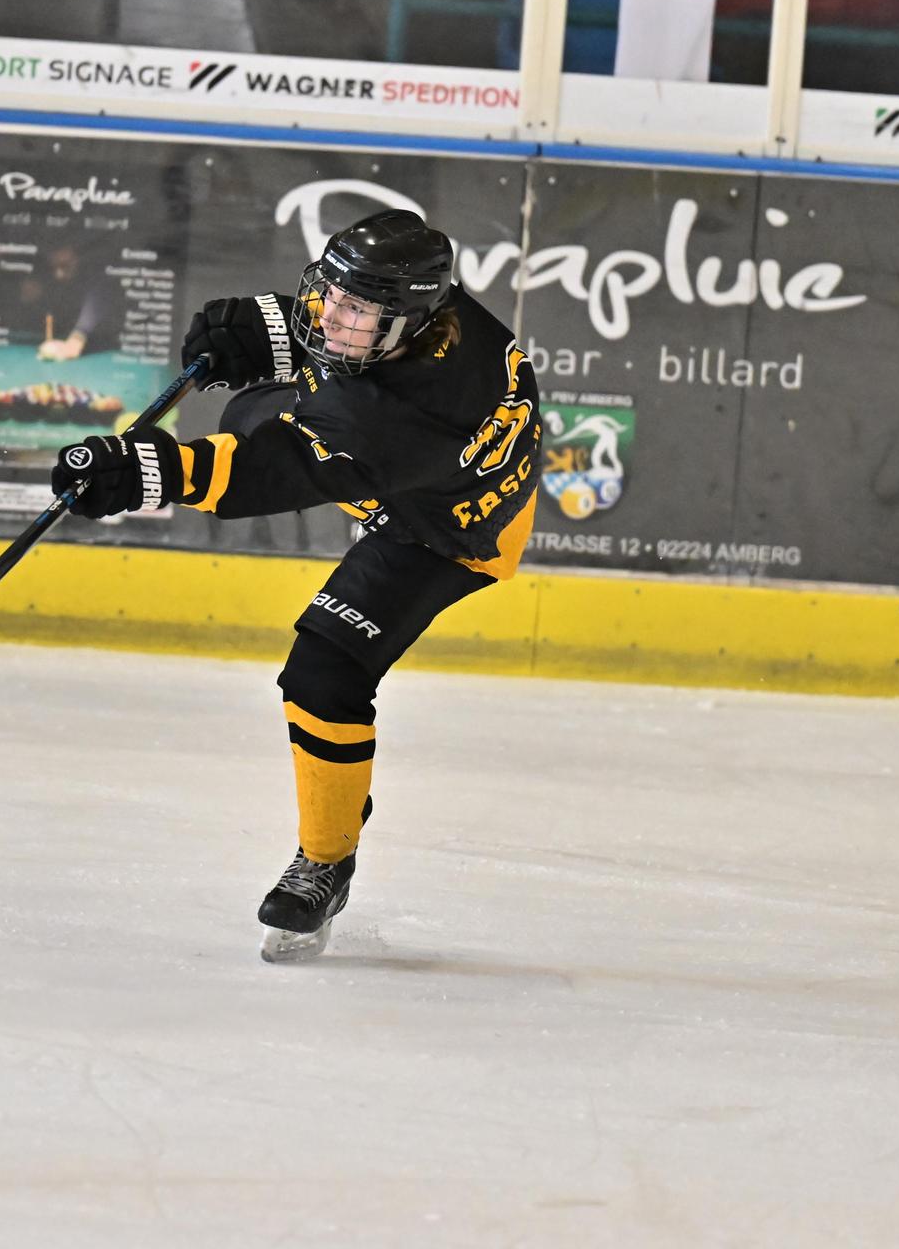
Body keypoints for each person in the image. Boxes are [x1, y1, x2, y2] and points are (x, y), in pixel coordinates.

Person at [49, 210, 541, 962]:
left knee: (323, 676)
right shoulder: (428, 312)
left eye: (354, 310)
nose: (330, 316)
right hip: (415, 458)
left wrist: (145, 471)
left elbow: (261, 474)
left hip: (442, 533)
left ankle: (326, 860)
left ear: (406, 323)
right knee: (256, 401)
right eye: (330, 296)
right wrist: (263, 327)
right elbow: (334, 332)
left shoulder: (400, 423)